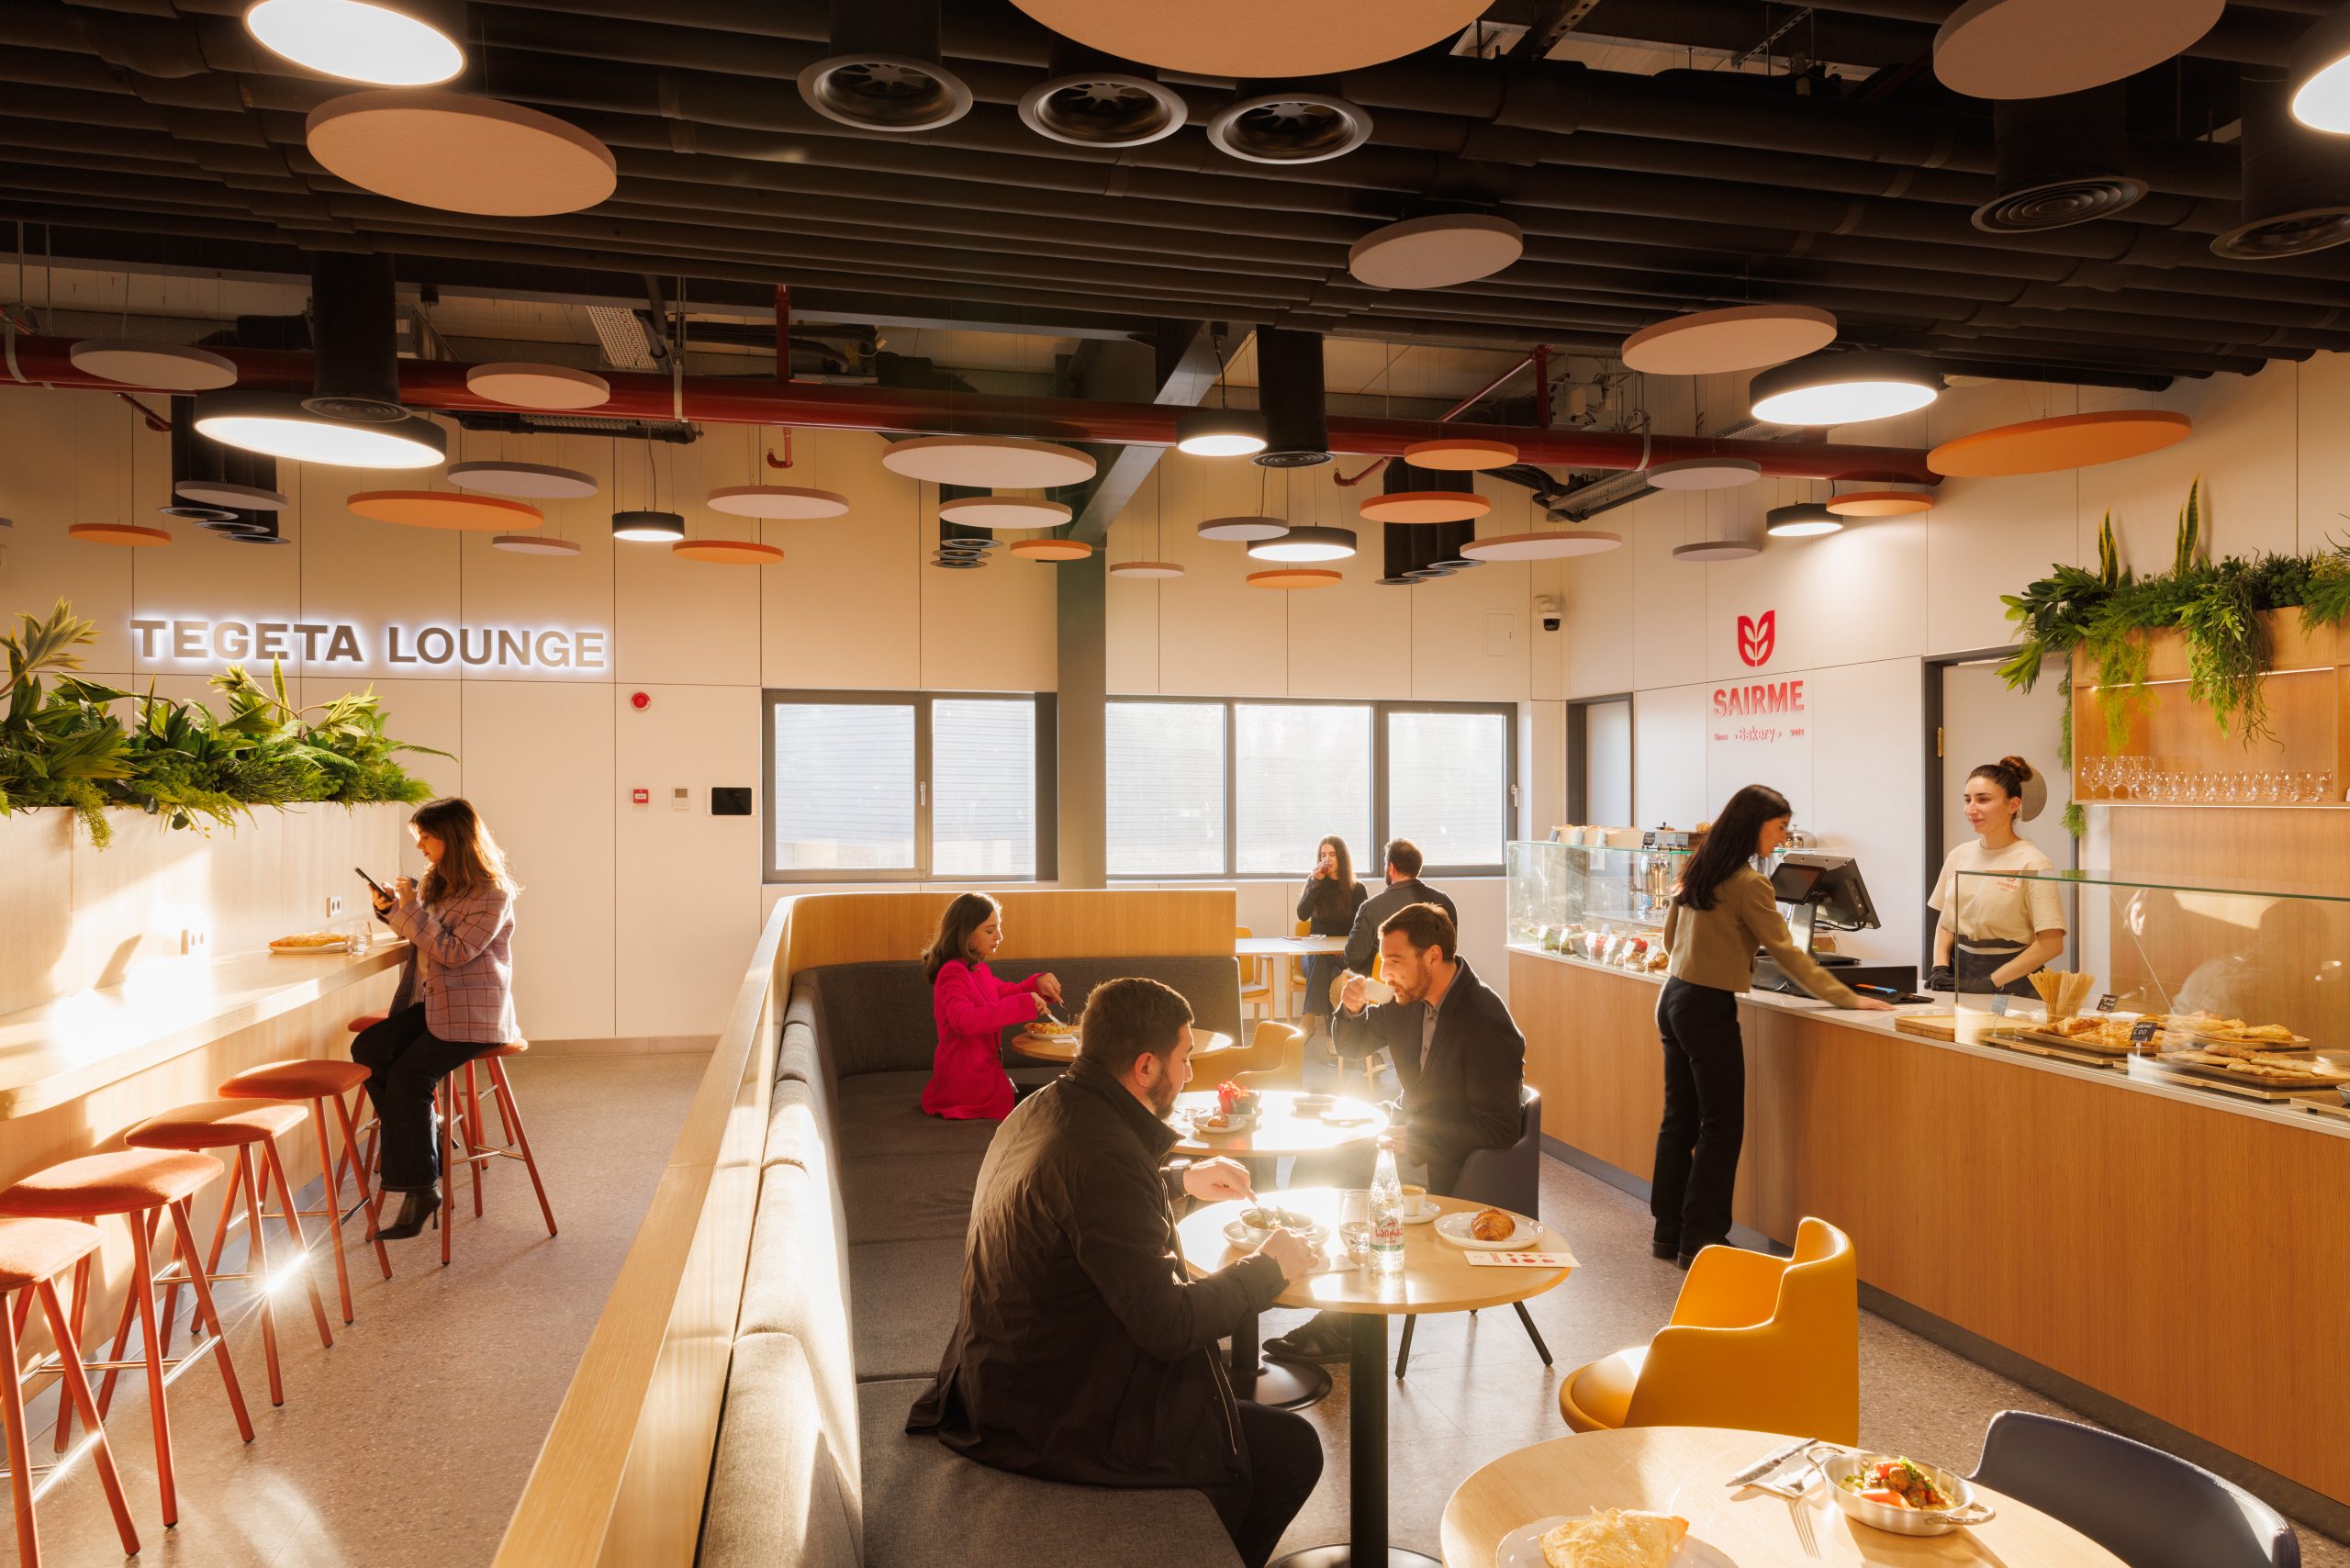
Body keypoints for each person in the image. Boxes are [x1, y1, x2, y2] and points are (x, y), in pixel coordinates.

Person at [909, 978, 1323, 1568]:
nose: (1189, 1074)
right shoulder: (1105, 1157)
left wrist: (1180, 1181)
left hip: (995, 1379)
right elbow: (1169, 1326)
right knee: (1293, 1450)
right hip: (1045, 1414)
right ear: (1146, 1067)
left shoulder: (1044, 1107)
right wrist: (1269, 1268)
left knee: (1220, 1392)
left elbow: (1081, 1210)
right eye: (1184, 1060)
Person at [1265, 902, 1524, 1362]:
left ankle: (1345, 1325)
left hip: (1451, 1160)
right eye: (1383, 960)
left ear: (1433, 956)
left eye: (1395, 960)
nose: (1385, 972)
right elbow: (1352, 1046)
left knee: (1358, 1183)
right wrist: (1350, 1010)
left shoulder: (1485, 1020)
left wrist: (1419, 1138)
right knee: (1322, 1154)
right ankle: (1306, 1277)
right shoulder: (1406, 1000)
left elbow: (1500, 1128)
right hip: (1407, 1129)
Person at [1651, 784, 1895, 1270]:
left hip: (1674, 996)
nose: (1783, 838)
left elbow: (1669, 937)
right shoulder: (1749, 883)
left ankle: (1668, 1232)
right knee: (1722, 1125)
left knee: (1679, 1119)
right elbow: (1788, 954)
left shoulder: (1697, 868)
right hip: (1707, 1007)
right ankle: (1702, 1238)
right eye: (1780, 827)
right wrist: (1847, 998)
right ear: (1754, 824)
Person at [353, 798, 520, 1241]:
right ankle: (427, 1133)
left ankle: (420, 1189)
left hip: (474, 1015)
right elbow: (424, 935)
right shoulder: (438, 882)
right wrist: (392, 909)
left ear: (453, 837)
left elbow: (453, 952)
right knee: (369, 1049)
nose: (420, 845)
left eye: (426, 836)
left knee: (409, 1078)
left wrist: (408, 909)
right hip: (436, 1006)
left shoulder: (492, 893)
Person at [1926, 756, 2065, 998]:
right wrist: (1940, 967)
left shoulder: (2033, 863)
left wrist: (1990, 982)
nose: (1971, 809)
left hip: (2014, 984)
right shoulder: (1959, 855)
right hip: (1959, 979)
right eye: (1967, 800)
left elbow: (2051, 944)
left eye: (1983, 800)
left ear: (2013, 805)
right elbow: (1947, 921)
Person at [921, 893, 1062, 1121]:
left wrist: (1036, 984)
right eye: (990, 930)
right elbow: (965, 1021)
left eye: (998, 928)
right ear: (965, 934)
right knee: (1056, 1104)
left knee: (1057, 1097)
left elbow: (1003, 993)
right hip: (966, 1087)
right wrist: (1025, 1002)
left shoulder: (977, 969)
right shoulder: (953, 972)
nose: (999, 936)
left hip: (985, 1078)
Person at [1344, 838, 1460, 975]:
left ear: (1392, 868)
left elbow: (1354, 959)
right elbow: (1449, 952)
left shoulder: (1371, 908)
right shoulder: (1445, 902)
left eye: (1385, 864)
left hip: (1388, 985)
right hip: (1435, 984)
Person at [1295, 834, 1367, 1025]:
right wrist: (1316, 883)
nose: (1327, 859)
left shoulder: (1357, 889)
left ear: (1341, 857)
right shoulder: (1315, 882)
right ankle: (1327, 1029)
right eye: (1323, 855)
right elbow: (1302, 914)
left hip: (1343, 954)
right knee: (1322, 962)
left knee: (1330, 969)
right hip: (1315, 954)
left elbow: (1362, 928)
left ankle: (1309, 1020)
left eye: (1332, 854)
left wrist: (1345, 949)